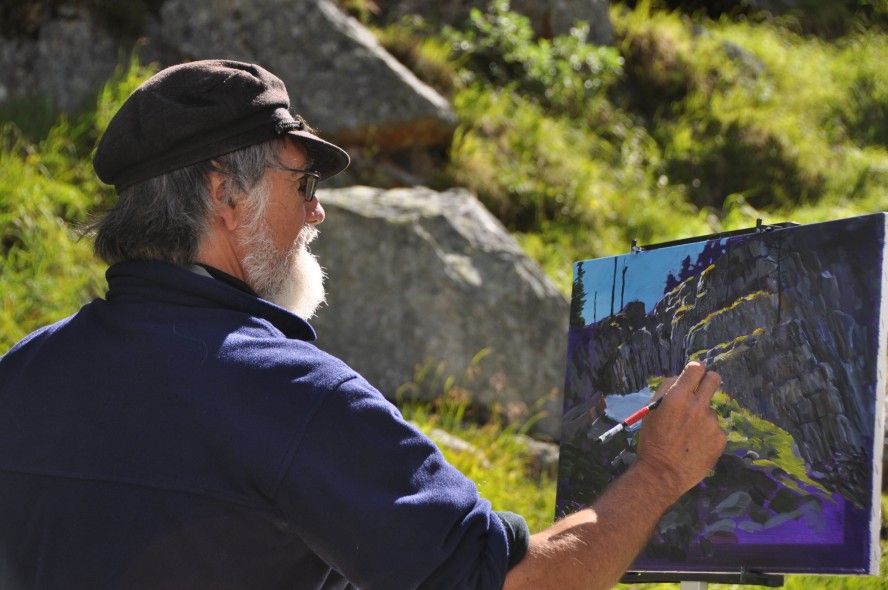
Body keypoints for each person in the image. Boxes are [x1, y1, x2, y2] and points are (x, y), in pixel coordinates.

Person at [0, 60, 726, 589]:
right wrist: (659, 473)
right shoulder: (288, 393)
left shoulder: (23, 372)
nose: (317, 213)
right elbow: (514, 585)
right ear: (224, 193)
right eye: (304, 184)